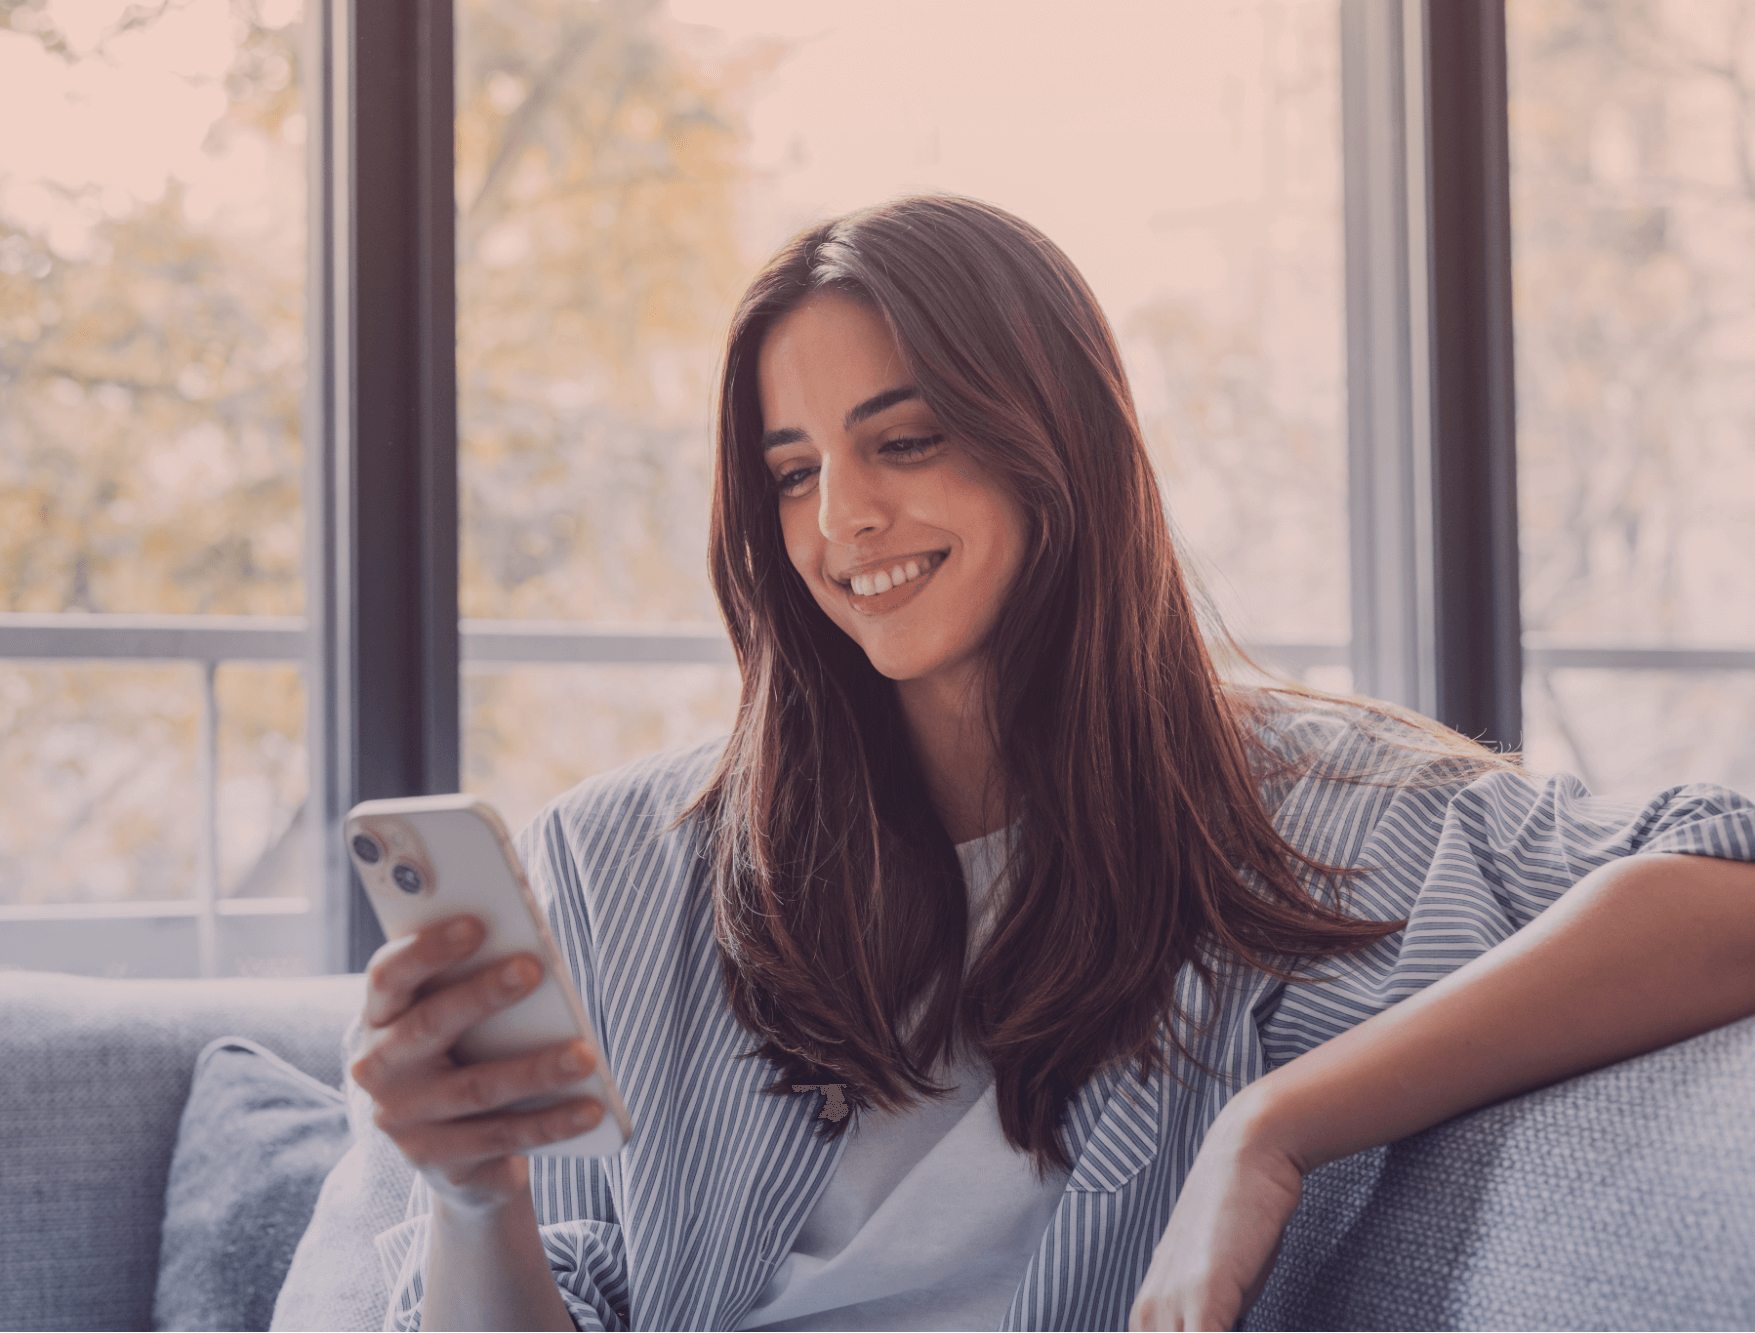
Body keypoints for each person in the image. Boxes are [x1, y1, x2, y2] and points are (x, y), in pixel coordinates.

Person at [350, 196, 1755, 1332]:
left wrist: (1270, 1129)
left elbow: (1725, 877)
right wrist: (476, 1202)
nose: (841, 517)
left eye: (903, 440)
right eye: (790, 471)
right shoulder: (623, 862)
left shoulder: (1306, 816)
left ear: (1061, 448)